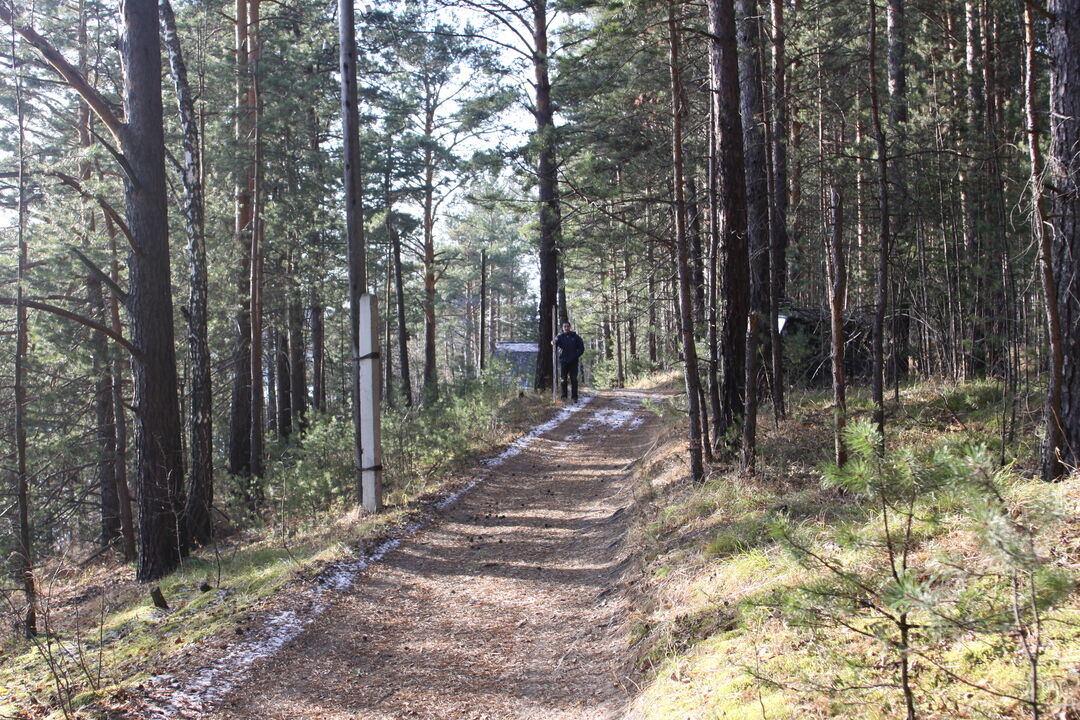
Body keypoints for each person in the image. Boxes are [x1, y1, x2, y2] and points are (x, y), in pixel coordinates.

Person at [553, 321, 585, 402]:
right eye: (565, 327)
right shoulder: (560, 337)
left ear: (570, 327)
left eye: (567, 326)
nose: (566, 328)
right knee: (563, 379)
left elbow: (581, 348)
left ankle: (574, 397)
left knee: (574, 379)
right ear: (563, 328)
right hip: (563, 361)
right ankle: (564, 397)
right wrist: (553, 342)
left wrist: (575, 355)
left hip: (573, 362)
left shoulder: (576, 337)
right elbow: (555, 342)